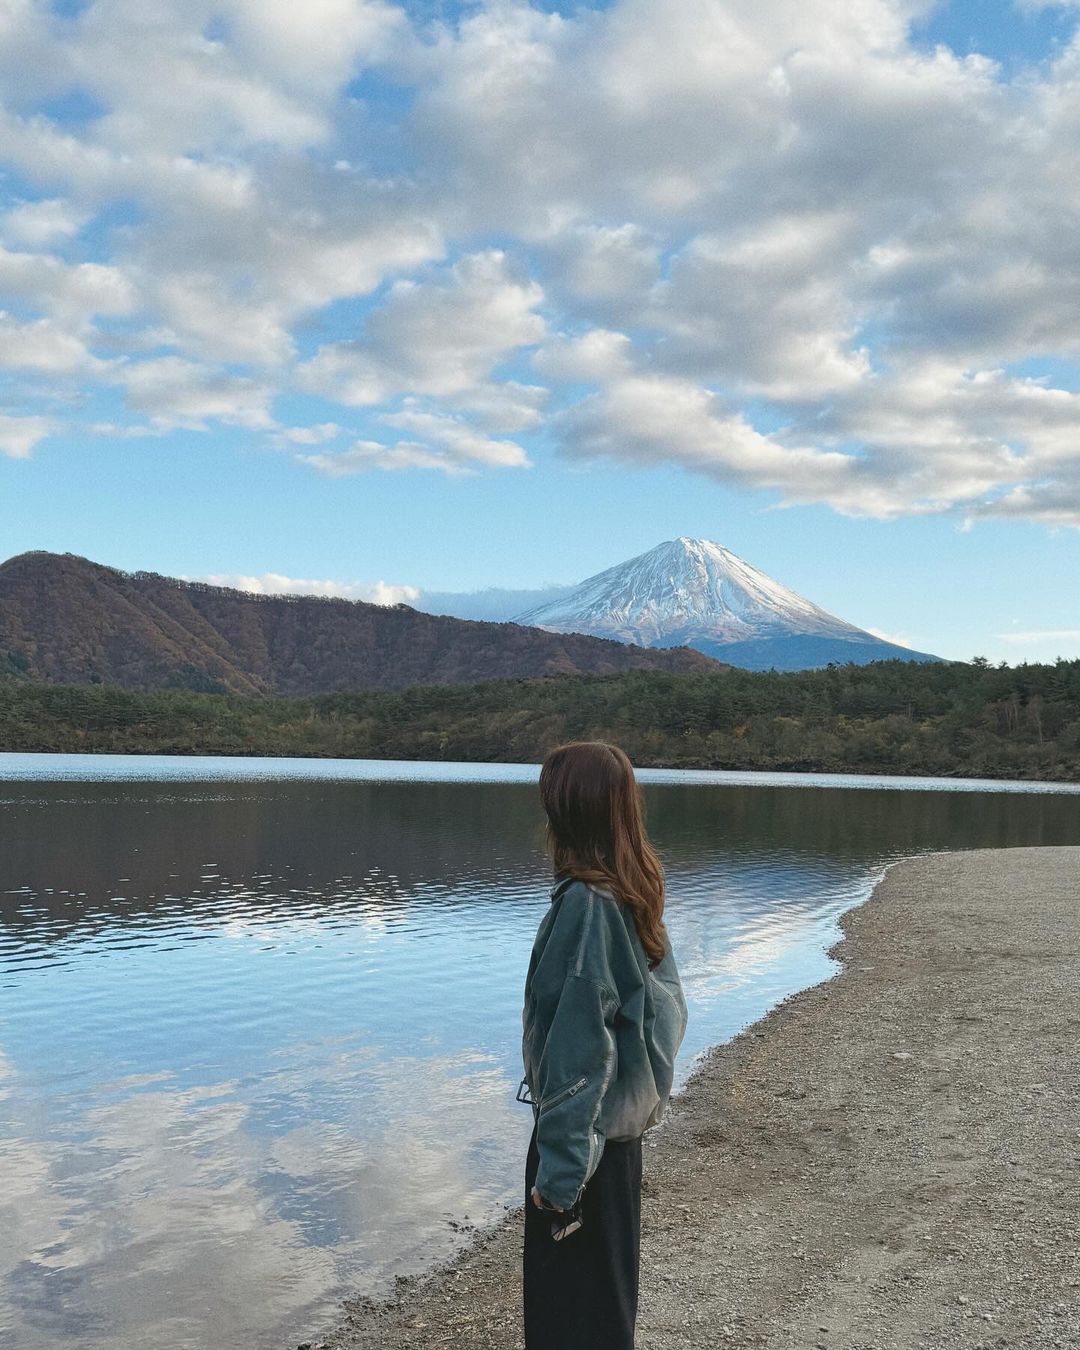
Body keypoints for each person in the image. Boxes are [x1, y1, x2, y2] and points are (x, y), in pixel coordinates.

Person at [518, 741, 689, 1349]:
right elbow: (664, 1017)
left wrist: (561, 1180)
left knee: (566, 1322)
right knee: (606, 1314)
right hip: (616, 1144)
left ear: (568, 811)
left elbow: (579, 1051)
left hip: (582, 1150)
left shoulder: (586, 906)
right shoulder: (632, 892)